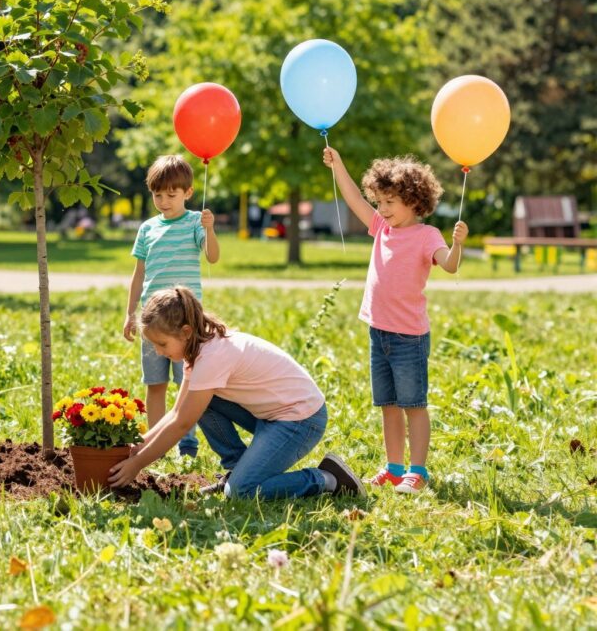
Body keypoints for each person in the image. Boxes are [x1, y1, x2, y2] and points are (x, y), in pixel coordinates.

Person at [109, 287, 363, 498]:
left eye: (162, 344)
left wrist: (137, 465)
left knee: (241, 492)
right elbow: (177, 411)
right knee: (200, 402)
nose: (159, 352)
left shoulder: (213, 356)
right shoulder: (198, 347)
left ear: (186, 332)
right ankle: (238, 467)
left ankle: (327, 478)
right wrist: (138, 446)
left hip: (301, 420)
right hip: (272, 416)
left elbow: (181, 423)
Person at [323, 147, 466, 494]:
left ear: (414, 202)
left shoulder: (427, 235)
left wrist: (457, 244)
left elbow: (450, 265)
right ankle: (394, 468)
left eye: (390, 203)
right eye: (380, 202)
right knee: (387, 405)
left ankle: (417, 471)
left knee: (413, 405)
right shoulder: (380, 227)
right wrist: (339, 164)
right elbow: (354, 198)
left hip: (410, 338)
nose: (382, 210)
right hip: (379, 333)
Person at [122, 154, 220, 459]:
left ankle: (187, 444)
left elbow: (212, 257)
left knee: (186, 383)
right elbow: (139, 275)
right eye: (157, 194)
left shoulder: (194, 222)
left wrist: (210, 229)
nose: (164, 201)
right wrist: (130, 314)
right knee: (155, 383)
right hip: (152, 322)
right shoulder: (147, 229)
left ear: (188, 193)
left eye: (171, 195)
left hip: (184, 322)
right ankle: (155, 444)